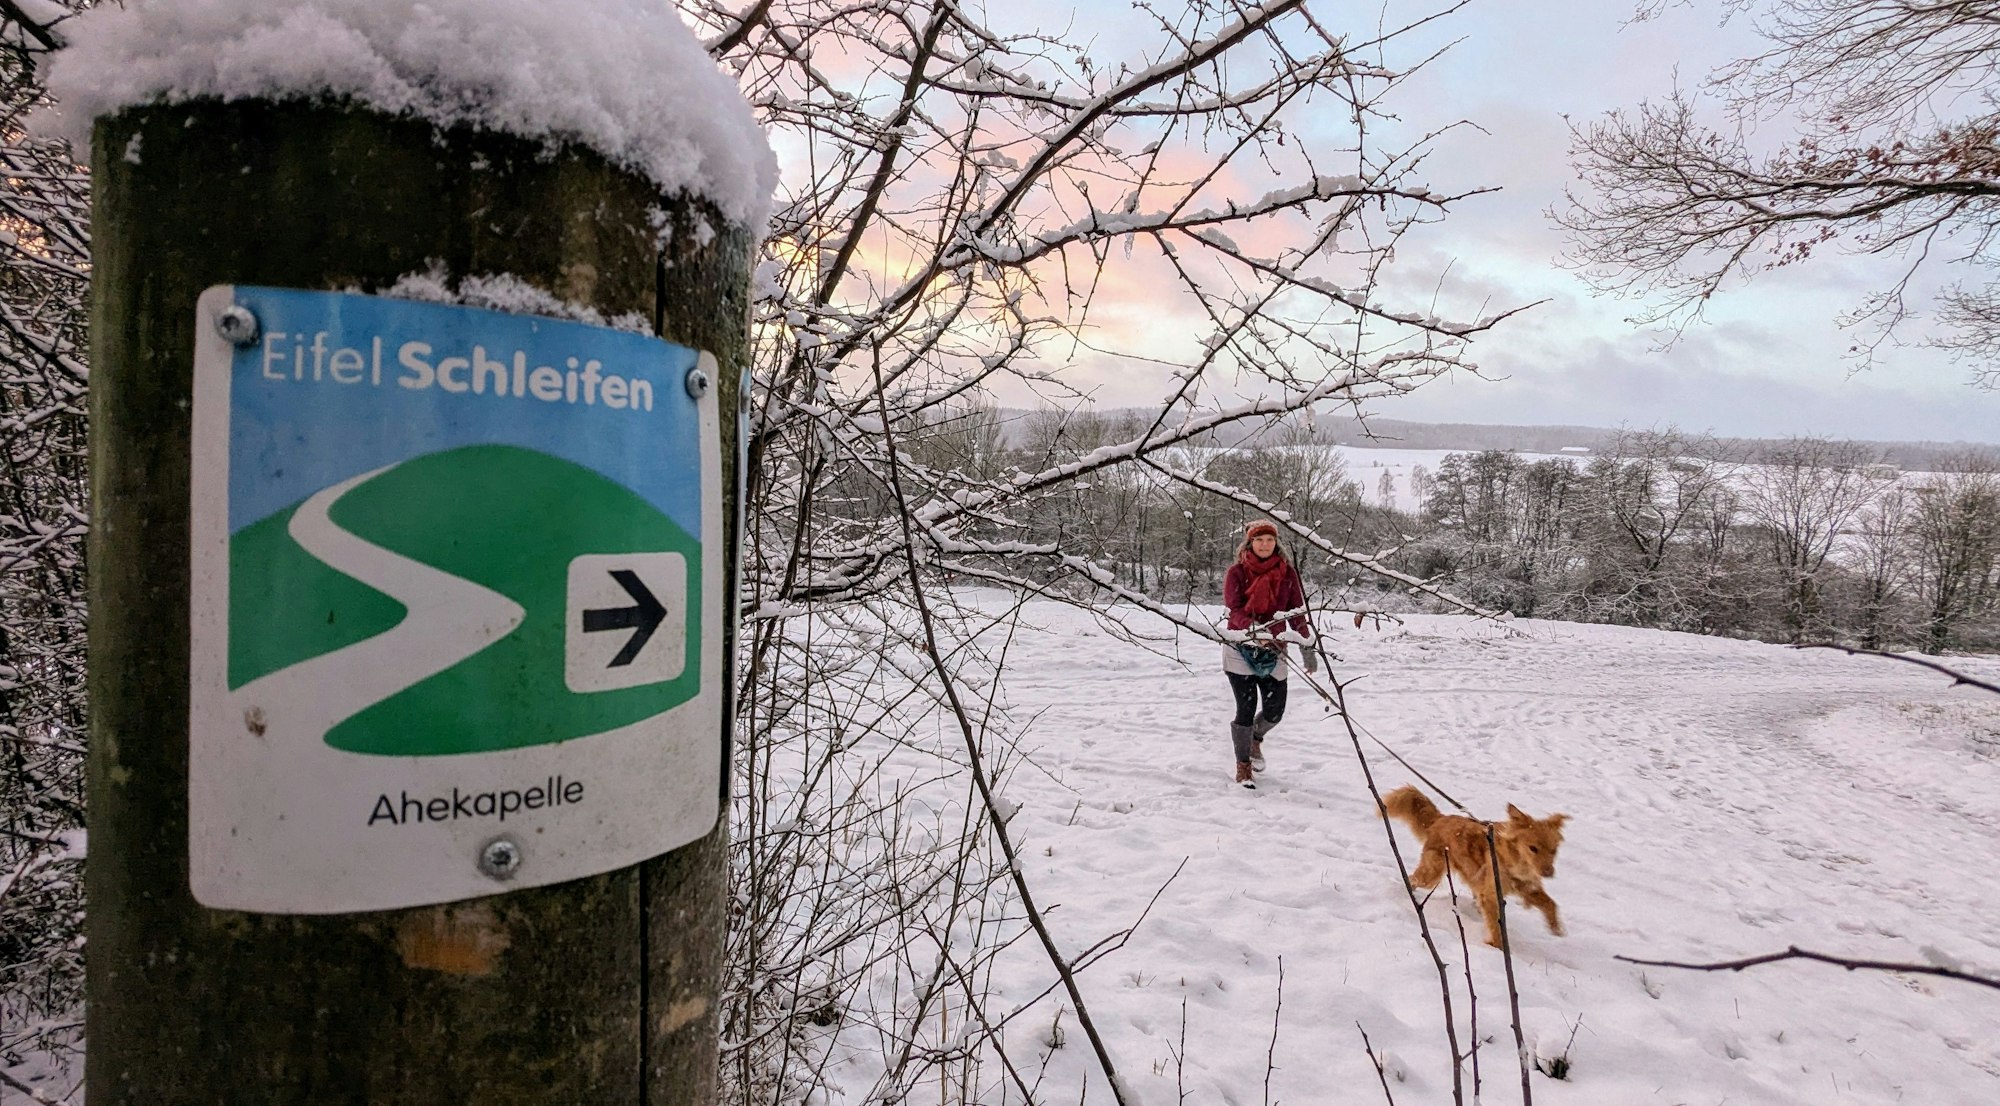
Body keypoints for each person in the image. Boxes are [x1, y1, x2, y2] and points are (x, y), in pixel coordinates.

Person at [1221, 519, 1317, 788]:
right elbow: (1233, 609)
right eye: (1259, 540)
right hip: (1240, 645)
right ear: (1250, 543)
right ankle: (1243, 766)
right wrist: (1254, 631)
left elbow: (1297, 611)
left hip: (1275, 647)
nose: (1265, 544)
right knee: (1246, 707)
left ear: (1276, 543)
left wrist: (1306, 647)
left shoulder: (1287, 574)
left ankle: (1255, 738)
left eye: (1270, 540)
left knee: (1275, 711)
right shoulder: (1237, 572)